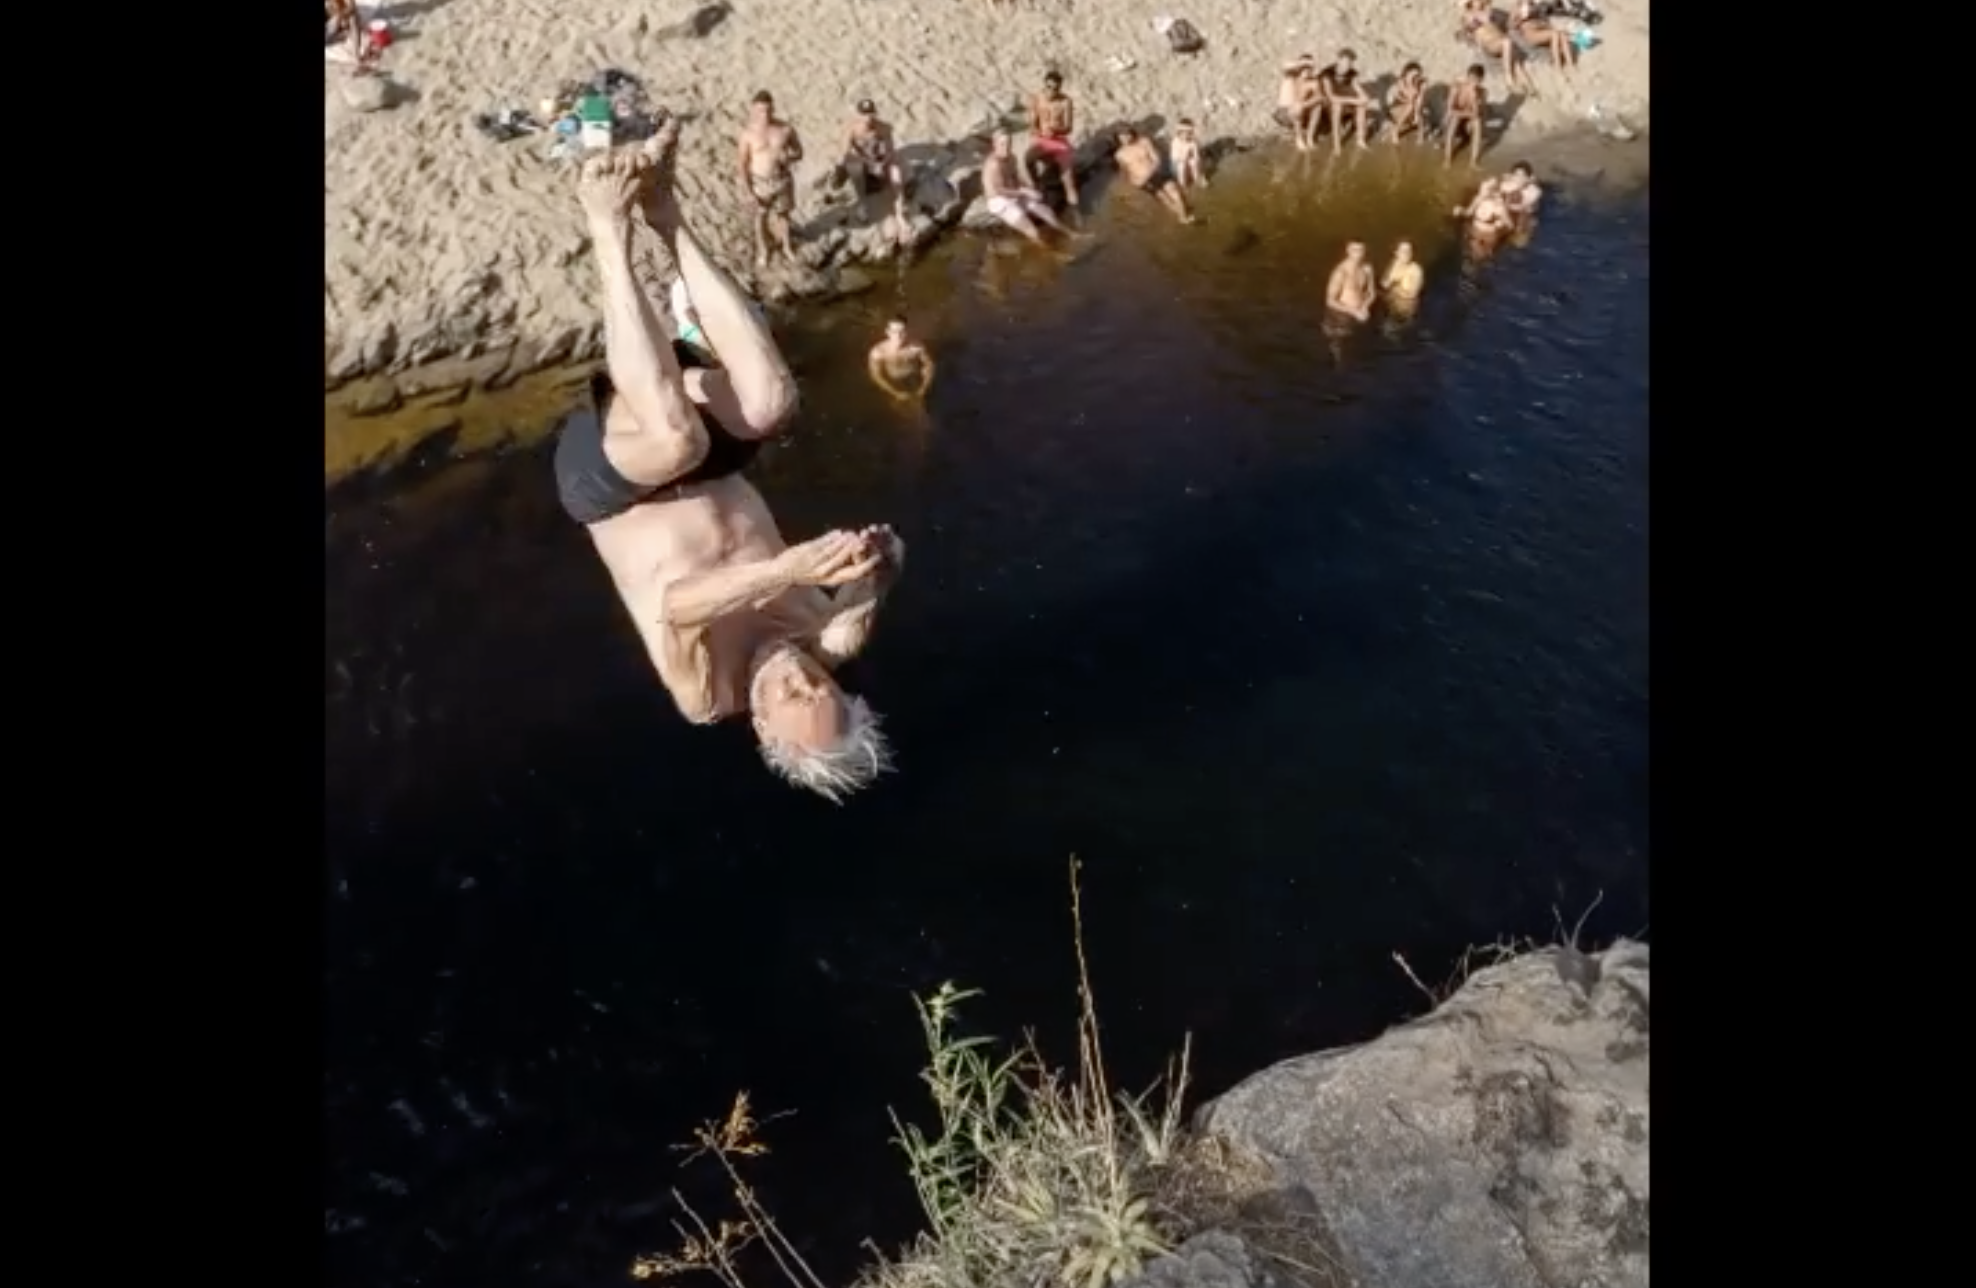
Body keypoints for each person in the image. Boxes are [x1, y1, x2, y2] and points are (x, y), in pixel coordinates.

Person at [554, 127, 903, 801]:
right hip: (704, 460)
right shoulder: (826, 639)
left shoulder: (707, 696)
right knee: (772, 403)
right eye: (822, 684)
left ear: (765, 731)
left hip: (615, 486)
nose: (801, 675)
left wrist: (786, 569)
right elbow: (878, 579)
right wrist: (882, 559)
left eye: (795, 696)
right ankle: (664, 213)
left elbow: (682, 607)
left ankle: (605, 221)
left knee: (676, 442)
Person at [737, 90, 804, 267]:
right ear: (753, 110)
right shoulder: (748, 134)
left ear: (773, 108)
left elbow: (799, 152)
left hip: (782, 179)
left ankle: (787, 247)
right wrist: (748, 190)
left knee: (784, 215)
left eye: (767, 110)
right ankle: (763, 250)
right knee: (760, 217)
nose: (764, 115)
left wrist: (789, 157)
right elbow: (742, 164)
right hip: (759, 181)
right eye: (760, 111)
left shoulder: (785, 129)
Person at [981, 129, 1074, 247]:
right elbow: (1000, 190)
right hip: (999, 200)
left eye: (1009, 143)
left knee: (1046, 212)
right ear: (994, 144)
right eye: (1002, 144)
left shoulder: (1012, 158)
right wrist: (1024, 193)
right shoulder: (994, 165)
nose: (1006, 147)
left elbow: (1015, 178)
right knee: (1032, 230)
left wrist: (1028, 187)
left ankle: (1071, 234)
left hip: (1014, 192)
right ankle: (1052, 254)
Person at [841, 98, 909, 237]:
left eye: (871, 114)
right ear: (859, 115)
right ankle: (862, 204)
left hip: (879, 160)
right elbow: (845, 152)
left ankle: (900, 213)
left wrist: (883, 163)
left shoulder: (883, 128)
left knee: (896, 170)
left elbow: (890, 149)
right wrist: (869, 164)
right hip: (863, 161)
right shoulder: (852, 129)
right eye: (865, 114)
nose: (868, 118)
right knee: (854, 166)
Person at [1113, 126, 1197, 224]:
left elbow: (1157, 159)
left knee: (1175, 192)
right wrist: (1133, 184)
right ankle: (1183, 216)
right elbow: (1125, 171)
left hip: (1156, 173)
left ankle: (1183, 216)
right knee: (1164, 198)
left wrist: (1149, 173)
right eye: (1122, 136)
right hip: (1141, 181)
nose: (1125, 138)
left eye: (1127, 135)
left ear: (1132, 133)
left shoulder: (1144, 141)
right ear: (1118, 138)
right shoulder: (1119, 154)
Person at [1027, 71, 1083, 215]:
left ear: (1060, 88)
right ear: (1044, 85)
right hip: (1042, 139)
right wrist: (1037, 131)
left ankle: (1078, 217)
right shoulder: (1036, 98)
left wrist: (1057, 130)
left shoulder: (1065, 101)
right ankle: (1036, 183)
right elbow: (1032, 124)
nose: (1052, 91)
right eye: (1049, 87)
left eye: (1056, 88)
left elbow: (1068, 128)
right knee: (1028, 159)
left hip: (1058, 140)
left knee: (1068, 181)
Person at [1459, 0, 1538, 96]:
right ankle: (1508, 78)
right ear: (1471, 3)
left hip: (1500, 41)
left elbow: (1508, 24)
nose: (1481, 2)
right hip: (1490, 44)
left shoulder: (1488, 13)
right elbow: (1470, 24)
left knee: (1517, 63)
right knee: (1507, 42)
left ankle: (1529, 87)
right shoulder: (1469, 15)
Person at [1316, 48, 1374, 150]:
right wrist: (1354, 100)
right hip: (1325, 106)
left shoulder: (1352, 74)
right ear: (1339, 60)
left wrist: (1363, 98)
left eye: (1351, 62)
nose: (1348, 65)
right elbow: (1331, 97)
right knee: (1337, 106)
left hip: (1343, 103)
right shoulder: (1327, 73)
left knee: (1361, 106)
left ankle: (1360, 140)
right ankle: (1337, 144)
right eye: (1346, 61)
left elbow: (1360, 92)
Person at [867, 317, 936, 400]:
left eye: (902, 331)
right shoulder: (879, 352)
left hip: (914, 377)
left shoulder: (916, 347)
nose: (899, 335)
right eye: (895, 332)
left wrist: (924, 387)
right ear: (887, 332)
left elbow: (929, 365)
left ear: (907, 331)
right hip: (893, 381)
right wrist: (895, 393)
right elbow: (876, 375)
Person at [1274, 55, 1323, 150]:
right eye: (1304, 67)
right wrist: (1304, 63)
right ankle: (1299, 139)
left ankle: (1310, 138)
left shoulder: (1312, 82)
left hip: (1300, 110)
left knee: (1317, 106)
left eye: (1309, 68)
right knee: (1297, 107)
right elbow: (1285, 66)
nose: (1306, 70)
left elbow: (1320, 97)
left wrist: (1305, 104)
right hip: (1284, 112)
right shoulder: (1291, 76)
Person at [1513, 0, 1579, 72]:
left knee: (1561, 34)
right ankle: (1558, 66)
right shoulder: (1518, 6)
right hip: (1532, 34)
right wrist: (1521, 17)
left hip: (1541, 30)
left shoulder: (1534, 4)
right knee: (1555, 34)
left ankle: (1571, 64)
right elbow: (1511, 25)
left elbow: (1544, 21)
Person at [1444, 63, 1489, 166]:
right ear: (1467, 77)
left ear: (1481, 81)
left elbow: (1477, 113)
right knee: (1454, 120)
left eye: (1476, 80)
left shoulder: (1483, 93)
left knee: (1477, 123)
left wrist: (1474, 98)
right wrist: (1465, 114)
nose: (1473, 82)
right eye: (1471, 79)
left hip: (1468, 120)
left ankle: (1473, 161)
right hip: (1457, 116)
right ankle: (1447, 158)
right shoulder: (1457, 88)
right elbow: (1450, 109)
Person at [1325, 241, 1376, 323]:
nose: (1358, 253)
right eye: (1354, 250)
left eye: (1361, 250)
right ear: (1348, 251)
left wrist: (1365, 306)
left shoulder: (1367, 269)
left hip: (1362, 312)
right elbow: (1330, 301)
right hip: (1342, 316)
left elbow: (1372, 293)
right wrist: (1354, 312)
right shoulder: (1341, 272)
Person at [1383, 62, 1429, 143]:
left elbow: (1420, 99)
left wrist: (1416, 113)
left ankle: (1420, 136)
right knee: (1410, 105)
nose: (1414, 76)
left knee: (1419, 111)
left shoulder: (1420, 84)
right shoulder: (1401, 81)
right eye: (1412, 73)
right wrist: (1409, 100)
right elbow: (1397, 96)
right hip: (1397, 107)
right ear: (1407, 72)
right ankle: (1395, 130)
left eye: (1417, 74)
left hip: (1414, 108)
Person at [1381, 241, 1425, 318]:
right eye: (1403, 251)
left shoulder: (1416, 269)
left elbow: (1412, 294)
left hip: (1407, 313)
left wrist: (1394, 288)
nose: (1407, 253)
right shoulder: (1393, 264)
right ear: (1396, 253)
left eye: (1409, 251)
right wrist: (1392, 279)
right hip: (1390, 311)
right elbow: (1384, 284)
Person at [1169, 118, 1208, 188]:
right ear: (1179, 133)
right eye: (1183, 133)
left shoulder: (1193, 142)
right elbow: (1174, 158)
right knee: (1182, 165)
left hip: (1187, 162)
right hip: (1177, 165)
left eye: (1189, 133)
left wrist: (1195, 161)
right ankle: (1182, 184)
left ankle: (1197, 178)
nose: (1186, 135)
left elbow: (1196, 156)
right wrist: (1184, 159)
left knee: (1193, 161)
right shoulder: (1175, 142)